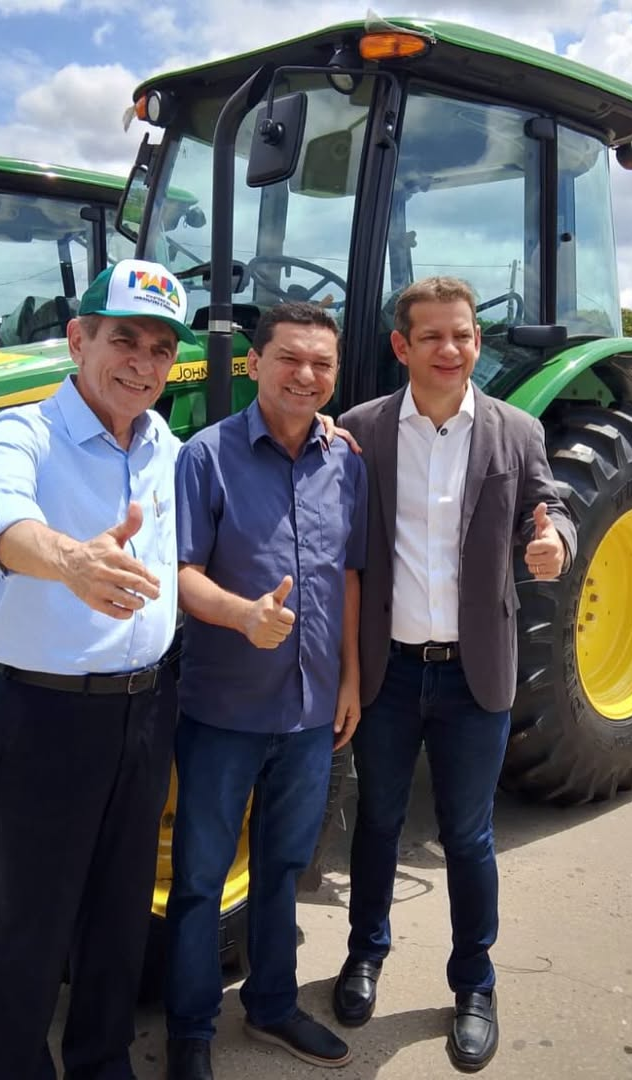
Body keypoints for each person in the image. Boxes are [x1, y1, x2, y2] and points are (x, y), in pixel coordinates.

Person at [330, 276, 577, 1073]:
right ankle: (365, 953)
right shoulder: (362, 430)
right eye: (432, 336)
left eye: (463, 335)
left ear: (477, 341)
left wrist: (557, 542)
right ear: (401, 346)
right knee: (377, 821)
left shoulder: (516, 431)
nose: (451, 349)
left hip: (476, 674)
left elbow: (551, 506)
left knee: (469, 835)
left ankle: (474, 983)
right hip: (391, 672)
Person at [0, 258, 197, 1080]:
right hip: (47, 716)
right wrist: (71, 561)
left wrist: (325, 432)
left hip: (145, 711)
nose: (143, 363)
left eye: (161, 350)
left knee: (120, 916)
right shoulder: (25, 432)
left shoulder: (167, 445)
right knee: (31, 926)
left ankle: (102, 1065)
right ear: (77, 339)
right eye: (124, 340)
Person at [166, 302, 367, 1080]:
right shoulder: (206, 457)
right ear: (254, 364)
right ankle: (191, 1030)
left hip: (312, 711)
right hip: (225, 710)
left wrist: (350, 677)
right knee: (200, 879)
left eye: (322, 363)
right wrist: (241, 616)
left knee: (284, 869)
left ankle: (273, 1006)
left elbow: (348, 577)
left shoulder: (345, 462)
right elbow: (181, 574)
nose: (305, 375)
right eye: (289, 358)